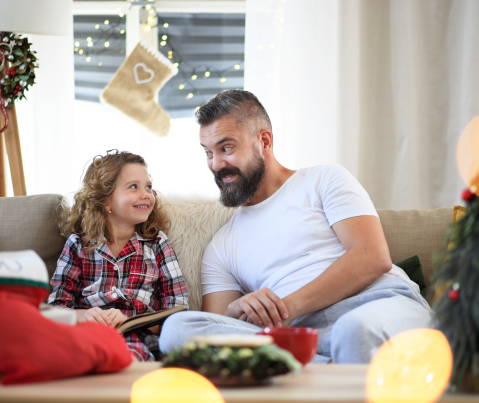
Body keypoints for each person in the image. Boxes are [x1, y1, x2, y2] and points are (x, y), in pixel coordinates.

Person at [159, 90, 433, 363]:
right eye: (208, 152)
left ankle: (308, 363)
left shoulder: (324, 179)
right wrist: (235, 310)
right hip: (297, 334)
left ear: (264, 141)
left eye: (226, 148)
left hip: (376, 304)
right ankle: (318, 360)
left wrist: (287, 308)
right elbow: (217, 327)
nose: (216, 164)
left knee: (353, 332)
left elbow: (373, 256)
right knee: (177, 330)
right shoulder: (221, 247)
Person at [49, 150, 188, 361]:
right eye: (134, 186)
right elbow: (56, 307)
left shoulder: (157, 243)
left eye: (148, 187)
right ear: (105, 200)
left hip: (138, 335)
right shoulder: (78, 244)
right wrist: (84, 316)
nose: (146, 194)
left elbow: (178, 310)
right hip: (87, 333)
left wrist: (130, 321)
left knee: (124, 355)